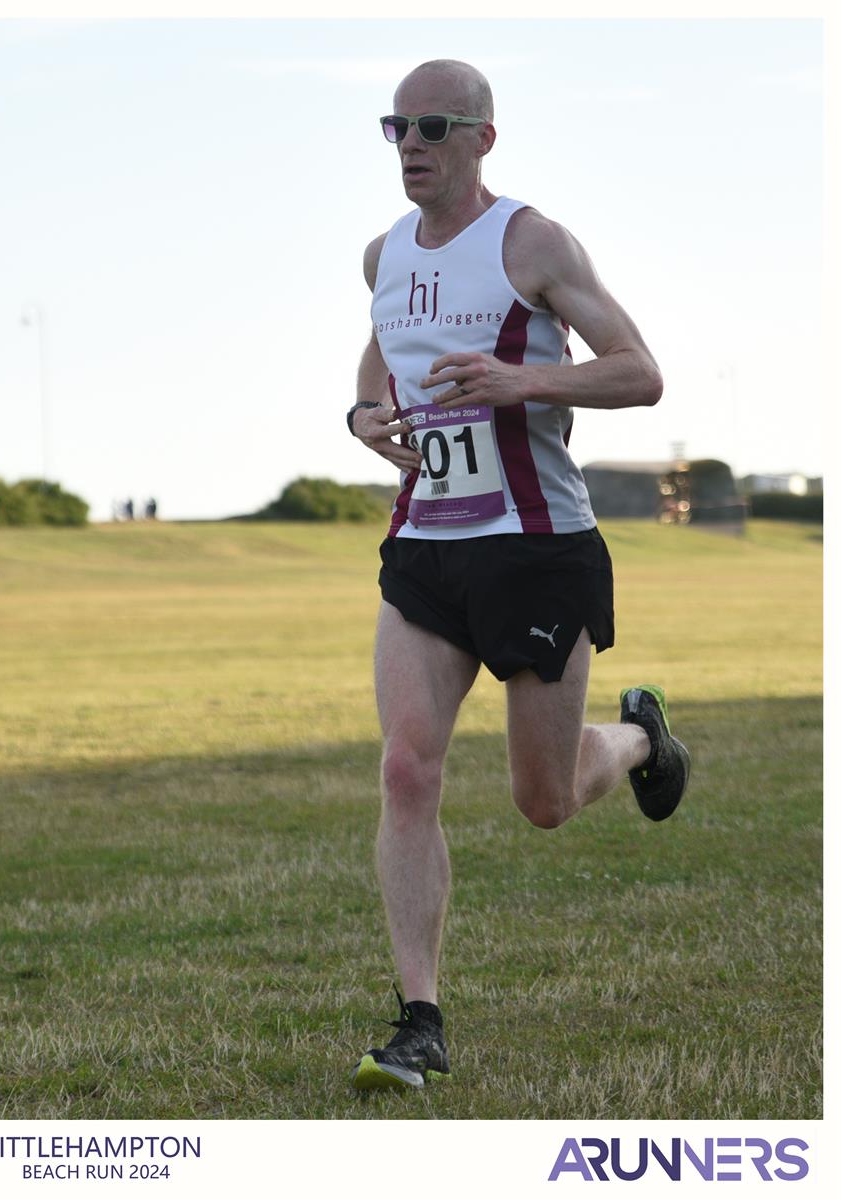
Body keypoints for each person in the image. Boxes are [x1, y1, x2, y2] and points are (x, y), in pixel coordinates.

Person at [347, 59, 690, 1092]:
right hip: (427, 546)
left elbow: (639, 369)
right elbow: (378, 371)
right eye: (395, 127)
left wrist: (521, 378)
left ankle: (638, 740)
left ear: (482, 139)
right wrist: (365, 423)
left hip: (537, 549)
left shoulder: (531, 242)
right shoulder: (383, 255)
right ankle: (420, 1020)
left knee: (542, 800)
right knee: (409, 768)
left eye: (433, 127)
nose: (411, 144)